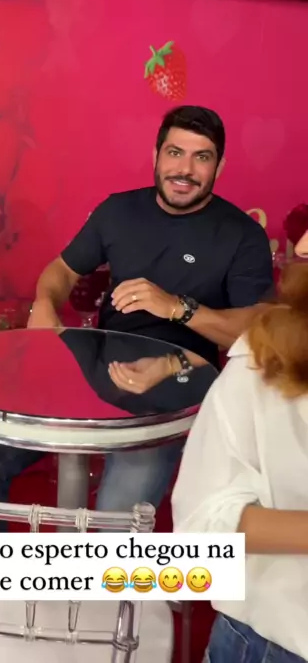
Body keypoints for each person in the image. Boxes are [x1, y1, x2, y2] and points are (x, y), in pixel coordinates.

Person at [0, 105, 274, 517]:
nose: (185, 169)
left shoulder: (242, 235)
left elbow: (256, 330)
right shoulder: (118, 211)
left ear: (219, 166)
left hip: (180, 389)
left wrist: (176, 308)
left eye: (201, 157)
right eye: (175, 153)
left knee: (114, 518)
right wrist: (44, 304)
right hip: (99, 373)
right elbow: (61, 270)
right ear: (156, 155)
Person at [171, 230, 308, 662]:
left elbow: (234, 323)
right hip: (278, 641)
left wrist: (179, 312)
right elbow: (200, 525)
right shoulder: (271, 357)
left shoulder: (237, 235)